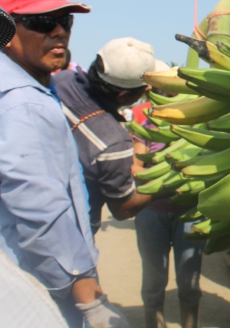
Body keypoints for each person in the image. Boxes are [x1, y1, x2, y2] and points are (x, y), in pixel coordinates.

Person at [0, 0, 128, 328]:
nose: (59, 31)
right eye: (43, 22)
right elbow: (39, 209)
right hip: (38, 285)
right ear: (4, 30)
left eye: (66, 21)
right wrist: (90, 302)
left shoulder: (34, 89)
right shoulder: (23, 104)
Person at [53, 37, 157, 234]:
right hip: (70, 234)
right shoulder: (113, 141)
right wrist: (163, 186)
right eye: (145, 87)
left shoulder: (61, 80)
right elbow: (123, 209)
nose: (149, 89)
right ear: (123, 96)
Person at [130, 59, 204, 328]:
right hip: (152, 211)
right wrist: (161, 178)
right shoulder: (142, 114)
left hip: (188, 209)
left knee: (189, 279)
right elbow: (137, 167)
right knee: (153, 278)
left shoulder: (198, 111)